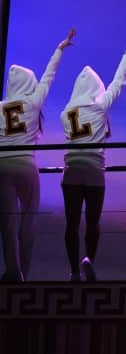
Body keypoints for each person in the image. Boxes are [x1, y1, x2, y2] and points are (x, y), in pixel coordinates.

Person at [59, 33, 126, 282]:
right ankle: (89, 261)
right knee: (93, 222)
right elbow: (118, 83)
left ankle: (73, 272)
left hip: (71, 169)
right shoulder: (99, 106)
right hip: (95, 169)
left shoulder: (65, 113)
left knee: (71, 223)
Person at [0, 29, 75, 282]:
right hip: (26, 166)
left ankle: (12, 271)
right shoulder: (33, 103)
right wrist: (59, 49)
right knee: (28, 220)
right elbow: (49, 76)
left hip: (2, 167)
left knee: (7, 223)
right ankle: (25, 271)